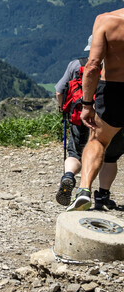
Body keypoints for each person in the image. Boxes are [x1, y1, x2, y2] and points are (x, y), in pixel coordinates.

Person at [69, 0, 124, 211]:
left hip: (113, 91)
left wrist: (87, 104)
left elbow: (91, 67)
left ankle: (83, 190)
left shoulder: (106, 21)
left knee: (98, 140)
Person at [54, 36, 123, 209]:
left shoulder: (76, 65)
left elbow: (59, 91)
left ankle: (69, 176)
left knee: (75, 153)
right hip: (110, 118)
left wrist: (63, 109)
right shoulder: (118, 67)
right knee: (110, 157)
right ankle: (102, 196)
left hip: (80, 116)